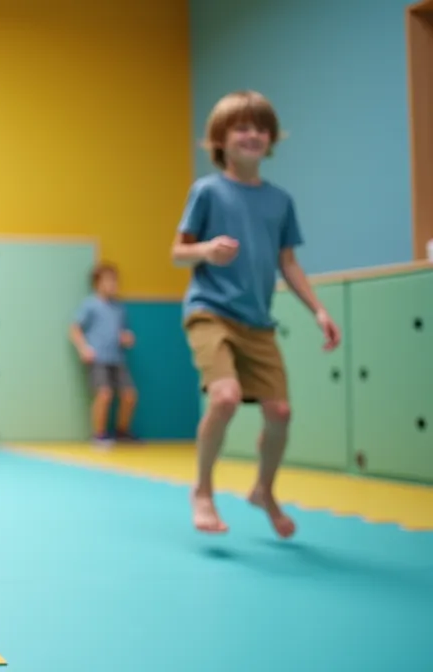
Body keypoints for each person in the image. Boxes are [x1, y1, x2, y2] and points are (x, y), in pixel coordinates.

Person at [171, 90, 341, 538]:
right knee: (224, 397)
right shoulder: (206, 191)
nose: (253, 135)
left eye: (261, 127)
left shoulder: (280, 201)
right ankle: (202, 490)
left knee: (280, 412)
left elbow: (288, 263)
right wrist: (206, 249)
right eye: (242, 127)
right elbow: (178, 252)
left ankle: (264, 489)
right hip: (210, 312)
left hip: (257, 322)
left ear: (271, 139)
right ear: (220, 140)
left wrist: (319, 310)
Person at [69, 262, 138, 446]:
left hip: (117, 358)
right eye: (108, 281)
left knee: (129, 395)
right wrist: (84, 348)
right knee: (104, 394)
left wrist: (125, 338)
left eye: (115, 281)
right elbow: (75, 329)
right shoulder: (90, 305)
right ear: (97, 283)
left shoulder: (119, 308)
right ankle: (98, 435)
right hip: (98, 357)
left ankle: (122, 432)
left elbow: (121, 331)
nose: (113, 285)